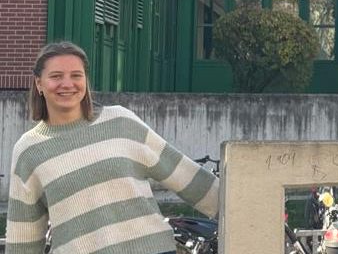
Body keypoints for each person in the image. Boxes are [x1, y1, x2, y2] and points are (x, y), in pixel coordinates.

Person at [6, 42, 220, 254]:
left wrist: (236, 208)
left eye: (76, 75)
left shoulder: (121, 122)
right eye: (56, 76)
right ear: (39, 83)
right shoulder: (29, 150)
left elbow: (187, 177)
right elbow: (22, 236)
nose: (67, 84)